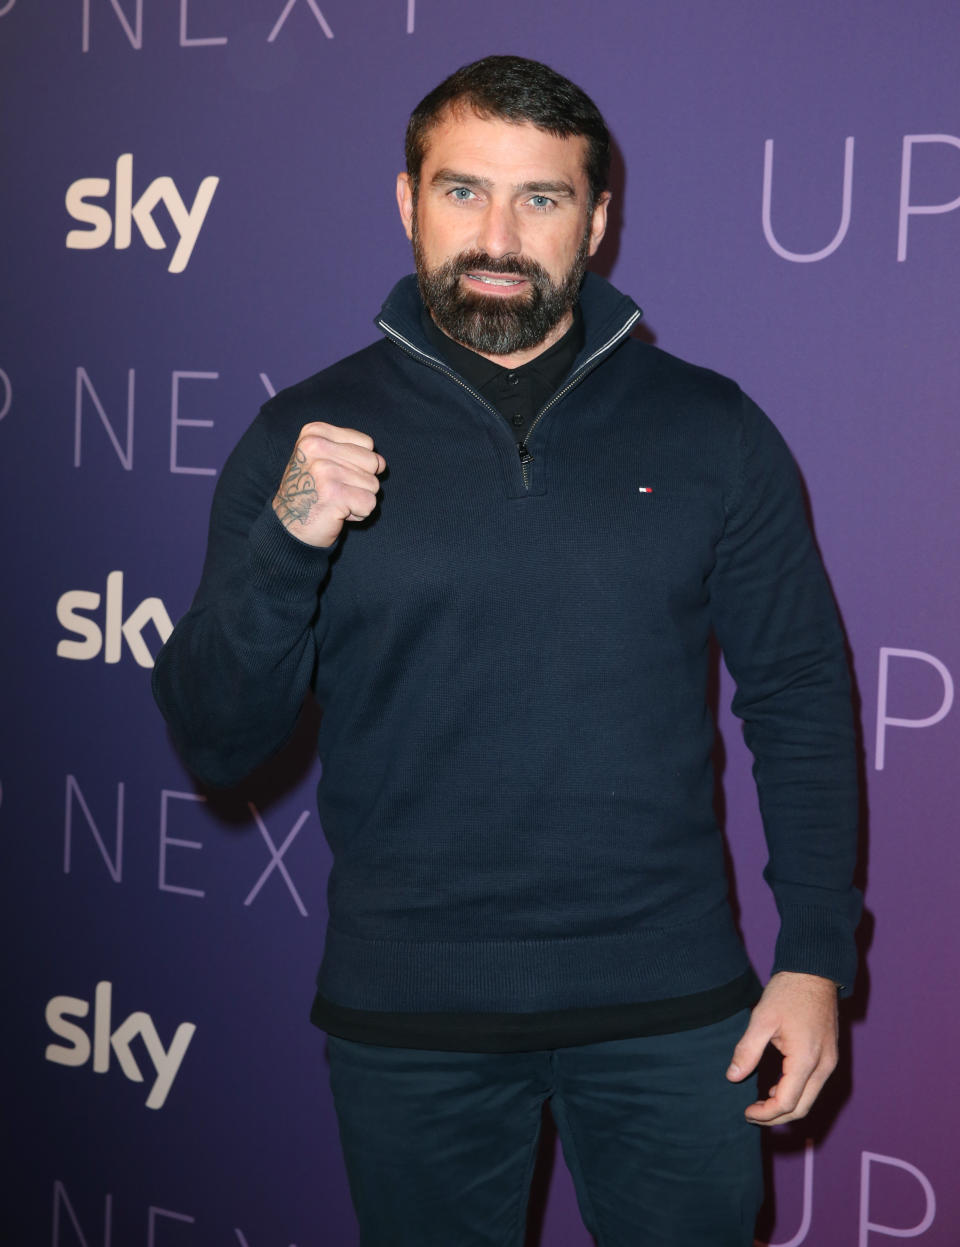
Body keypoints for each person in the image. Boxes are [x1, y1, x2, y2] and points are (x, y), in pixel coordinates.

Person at [153, 54, 861, 1247]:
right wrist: (289, 540)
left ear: (597, 218)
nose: (496, 233)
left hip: (675, 1007)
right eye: (462, 190)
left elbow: (797, 695)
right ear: (405, 202)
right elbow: (219, 740)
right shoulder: (301, 436)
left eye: (540, 197)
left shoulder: (714, 429)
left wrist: (816, 957)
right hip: (408, 1018)